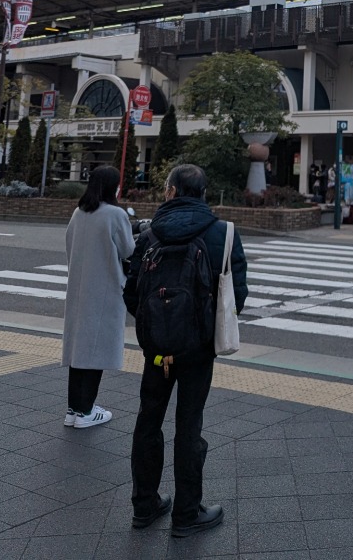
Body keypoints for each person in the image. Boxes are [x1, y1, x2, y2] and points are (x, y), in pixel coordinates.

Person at [124, 163, 248, 536]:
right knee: (188, 426)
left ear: (171, 191)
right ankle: (186, 514)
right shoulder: (223, 234)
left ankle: (144, 506)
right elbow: (236, 295)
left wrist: (158, 327)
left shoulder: (148, 235)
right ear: (204, 193)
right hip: (198, 350)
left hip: (157, 351)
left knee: (148, 421)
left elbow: (132, 293)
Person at [62, 165, 135, 429]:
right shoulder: (115, 214)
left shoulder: (79, 212)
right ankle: (86, 411)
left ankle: (73, 409)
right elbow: (128, 250)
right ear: (113, 186)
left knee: (79, 349)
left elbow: (69, 246)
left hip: (79, 289)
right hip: (106, 290)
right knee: (96, 350)